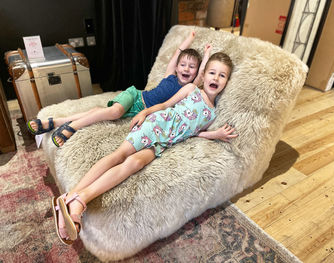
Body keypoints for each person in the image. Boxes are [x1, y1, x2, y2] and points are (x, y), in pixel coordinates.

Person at [52, 52, 238, 245]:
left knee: (135, 163)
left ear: (227, 82)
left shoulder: (212, 114)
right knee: (120, 155)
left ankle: (71, 199)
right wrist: (145, 112)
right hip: (157, 124)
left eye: (222, 75)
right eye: (212, 73)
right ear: (204, 74)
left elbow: (194, 133)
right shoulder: (192, 89)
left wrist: (215, 135)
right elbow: (165, 104)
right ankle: (77, 200)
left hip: (166, 142)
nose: (215, 78)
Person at [27, 31, 211, 147]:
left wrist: (208, 53)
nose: (186, 69)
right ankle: (72, 127)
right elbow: (177, 53)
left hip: (140, 111)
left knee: (100, 112)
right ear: (177, 66)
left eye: (192, 66)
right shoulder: (170, 75)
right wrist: (190, 37)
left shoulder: (190, 88)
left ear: (196, 72)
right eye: (183, 65)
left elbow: (203, 74)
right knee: (114, 112)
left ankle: (55, 122)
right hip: (135, 96)